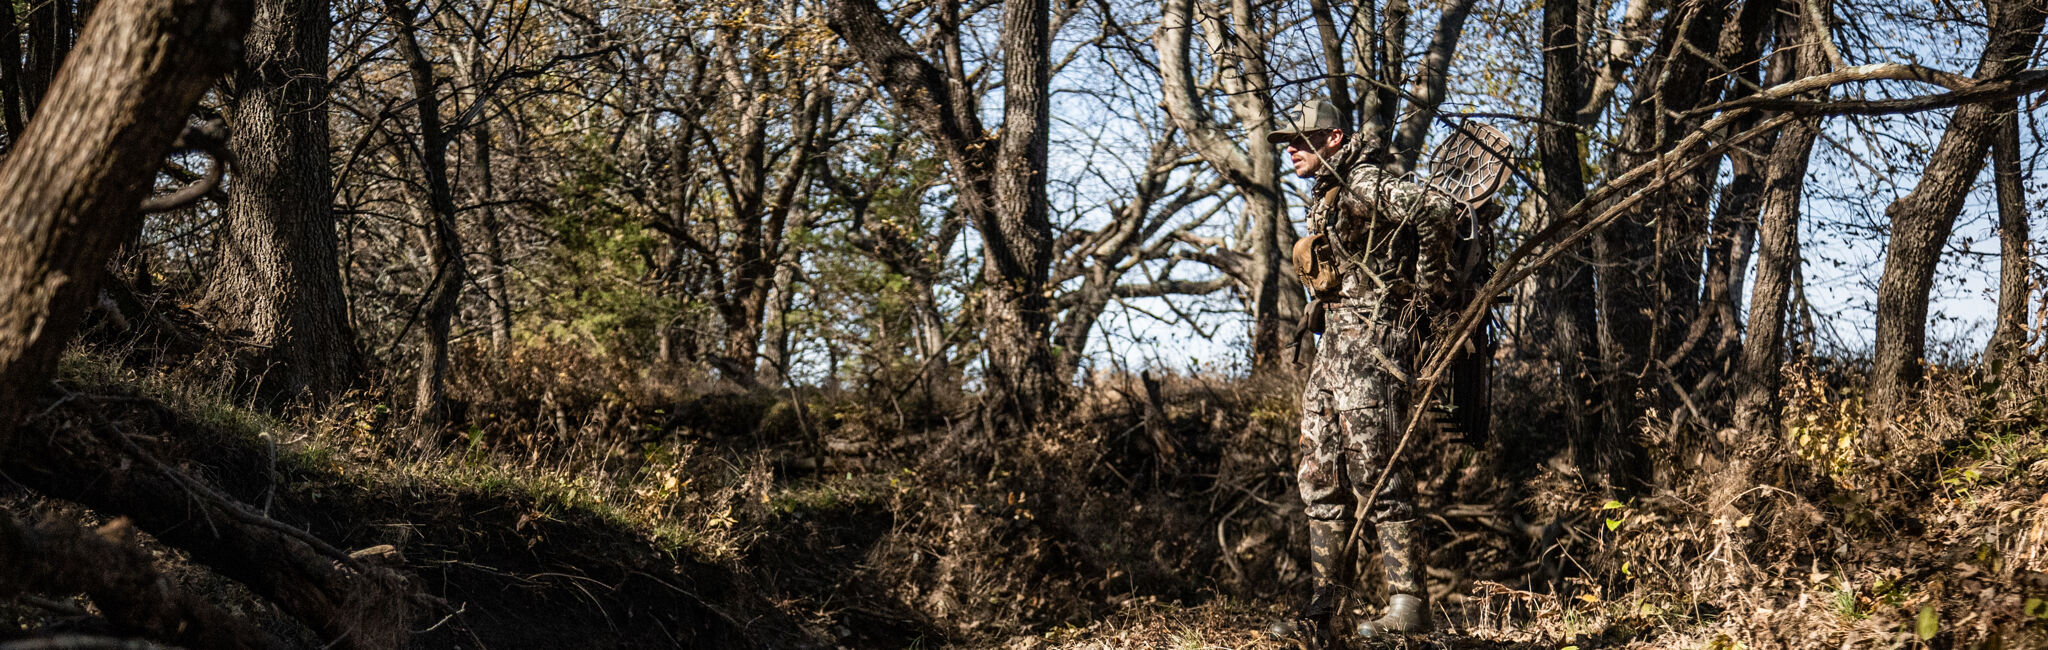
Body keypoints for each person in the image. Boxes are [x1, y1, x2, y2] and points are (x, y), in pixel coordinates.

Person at [1264, 99, 1458, 642]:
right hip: (1334, 350)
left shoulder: (1365, 182)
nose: (1291, 151)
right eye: (1287, 143)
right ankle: (1329, 609)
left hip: (1374, 345)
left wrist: (1424, 292)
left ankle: (1409, 607)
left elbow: (1434, 211)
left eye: (1302, 140)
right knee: (1319, 478)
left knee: (1379, 472)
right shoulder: (1328, 194)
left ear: (1335, 139)